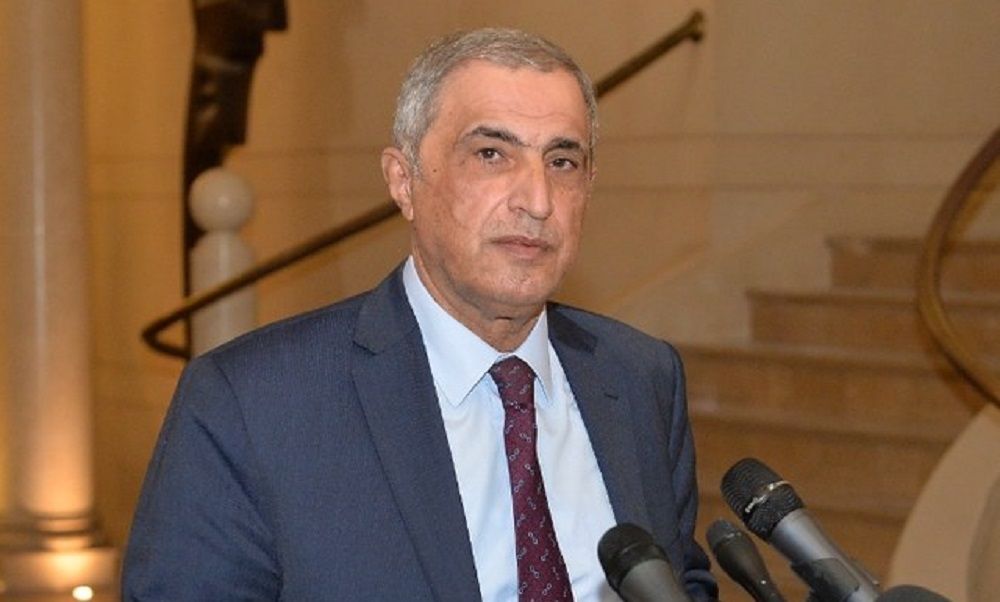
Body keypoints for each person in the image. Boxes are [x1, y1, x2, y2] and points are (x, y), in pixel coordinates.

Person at [122, 27, 719, 601]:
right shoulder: (251, 402)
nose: (537, 201)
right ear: (403, 182)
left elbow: (680, 584)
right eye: (492, 154)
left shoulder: (640, 377)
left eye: (562, 162)